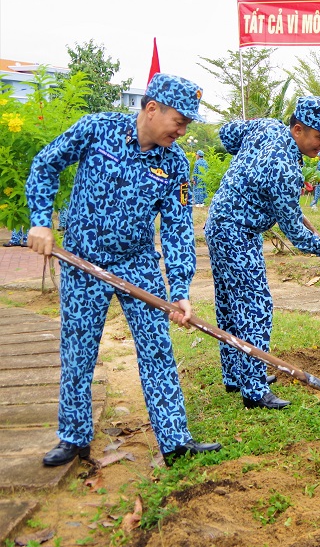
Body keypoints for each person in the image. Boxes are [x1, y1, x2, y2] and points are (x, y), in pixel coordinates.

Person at [25, 73, 221, 467]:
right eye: (178, 121)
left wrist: (179, 290)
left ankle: (175, 440)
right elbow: (45, 164)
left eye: (187, 125)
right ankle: (74, 437)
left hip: (138, 264)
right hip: (82, 261)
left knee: (157, 349)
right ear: (152, 109)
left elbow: (179, 229)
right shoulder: (98, 129)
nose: (182, 131)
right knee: (78, 349)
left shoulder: (175, 163)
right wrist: (41, 221)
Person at [205, 97, 320, 410]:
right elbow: (293, 230)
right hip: (236, 231)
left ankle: (236, 374)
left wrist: (246, 164)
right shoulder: (284, 168)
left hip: (222, 223)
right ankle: (253, 390)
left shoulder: (267, 127)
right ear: (297, 129)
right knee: (255, 305)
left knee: (230, 302)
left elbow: (227, 134)